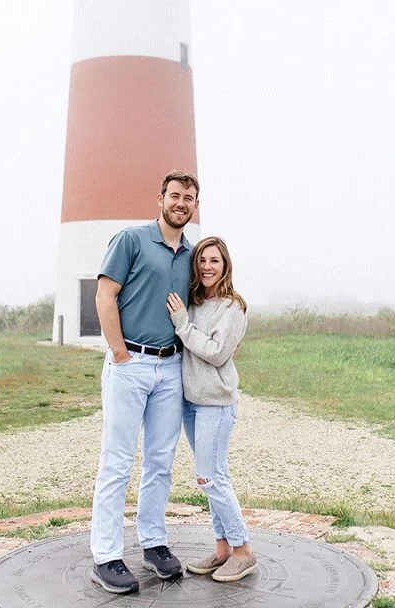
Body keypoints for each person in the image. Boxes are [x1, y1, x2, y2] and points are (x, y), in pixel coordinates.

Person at [90, 170, 200, 595]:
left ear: (194, 205)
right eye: (175, 195)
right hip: (129, 362)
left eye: (189, 198)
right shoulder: (131, 240)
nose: (181, 203)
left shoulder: (191, 254)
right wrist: (119, 353)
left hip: (171, 367)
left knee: (160, 461)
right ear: (160, 198)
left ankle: (153, 543)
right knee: (117, 461)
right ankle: (106, 555)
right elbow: (105, 294)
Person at [167, 236, 257, 583]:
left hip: (216, 404)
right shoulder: (194, 303)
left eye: (214, 261)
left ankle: (243, 551)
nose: (206, 266)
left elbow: (218, 353)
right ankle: (222, 549)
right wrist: (183, 319)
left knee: (208, 477)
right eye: (202, 260)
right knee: (214, 476)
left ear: (225, 266)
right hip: (192, 402)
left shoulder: (232, 309)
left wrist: (182, 324)